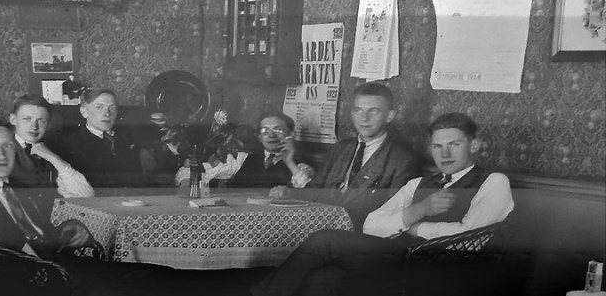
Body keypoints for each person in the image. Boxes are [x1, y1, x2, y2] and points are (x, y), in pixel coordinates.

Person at [0, 114, 269, 296]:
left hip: (55, 267)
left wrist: (67, 230)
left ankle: (247, 281)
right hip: (29, 282)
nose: (0, 154)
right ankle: (246, 284)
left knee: (154, 273)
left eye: (6, 146)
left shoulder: (14, 186)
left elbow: (31, 233)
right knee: (143, 284)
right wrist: (50, 258)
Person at [248, 112, 515, 296]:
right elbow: (372, 225)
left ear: (474, 145)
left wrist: (414, 227)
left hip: (442, 271)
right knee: (324, 279)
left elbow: (470, 239)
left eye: (454, 144)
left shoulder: (493, 181)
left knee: (324, 240)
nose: (445, 153)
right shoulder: (418, 183)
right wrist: (419, 211)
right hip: (399, 262)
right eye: (437, 146)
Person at [276, 82, 421, 228]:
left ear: (389, 116)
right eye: (358, 110)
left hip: (361, 234)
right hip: (322, 226)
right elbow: (315, 191)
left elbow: (391, 214)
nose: (364, 118)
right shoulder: (339, 148)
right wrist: (289, 193)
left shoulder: (402, 160)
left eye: (374, 111)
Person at [175, 111, 315, 190]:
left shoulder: (301, 165)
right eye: (265, 131)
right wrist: (187, 181)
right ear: (259, 137)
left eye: (278, 130)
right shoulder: (247, 158)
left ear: (292, 134)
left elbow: (310, 195)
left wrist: (289, 162)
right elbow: (196, 170)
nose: (271, 135)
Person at [56, 88, 158, 189]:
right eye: (99, 107)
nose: (107, 113)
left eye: (113, 108)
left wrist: (143, 150)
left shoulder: (127, 135)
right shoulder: (72, 144)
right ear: (84, 112)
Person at [8, 94, 93, 210]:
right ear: (13, 120)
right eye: (27, 119)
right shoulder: (3, 150)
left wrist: (52, 157)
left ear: (49, 125)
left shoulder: (54, 150)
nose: (34, 126)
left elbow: (86, 195)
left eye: (41, 121)